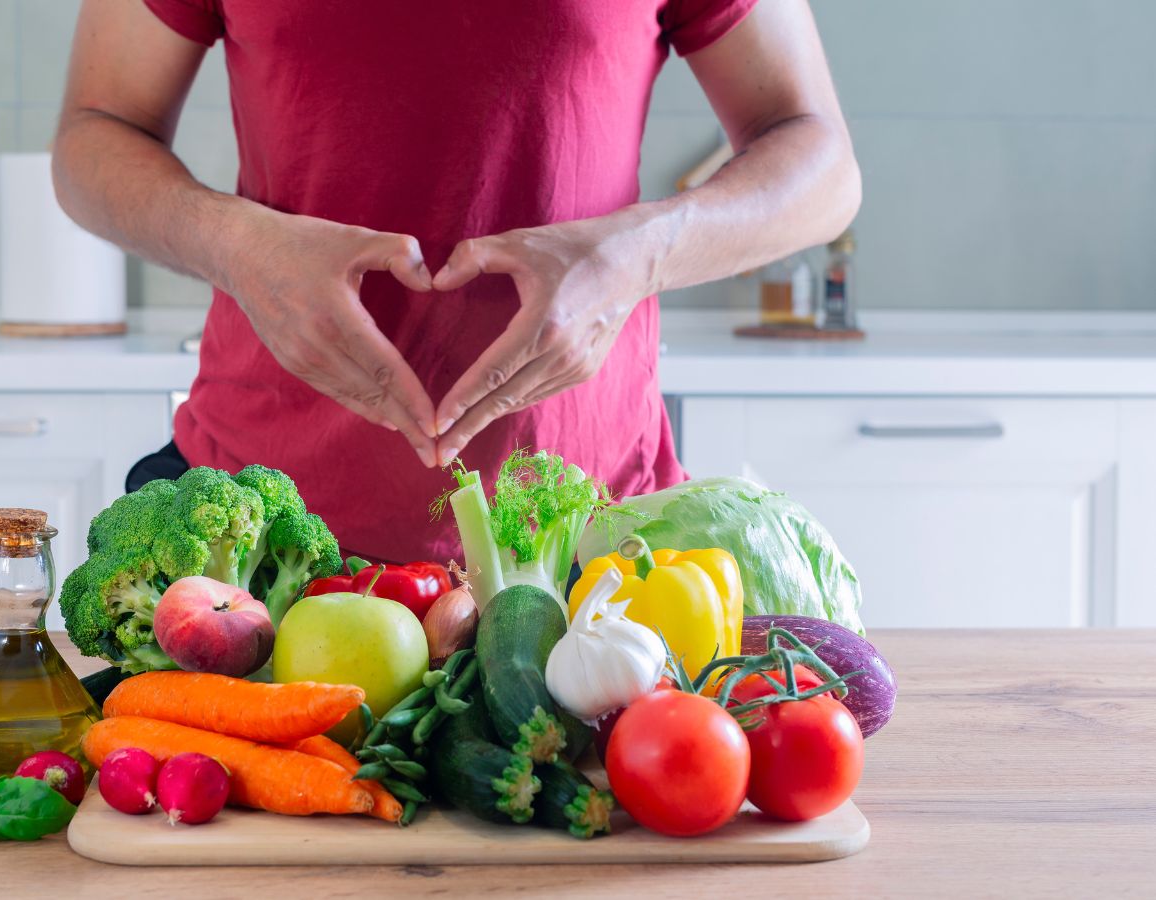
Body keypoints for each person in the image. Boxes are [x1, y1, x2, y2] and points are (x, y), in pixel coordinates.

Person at [53, 0, 859, 562]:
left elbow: (821, 159)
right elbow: (94, 138)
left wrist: (637, 253)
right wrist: (235, 243)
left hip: (587, 541)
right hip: (249, 531)